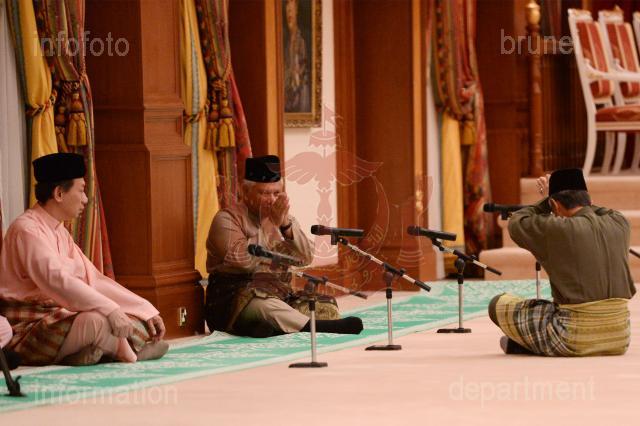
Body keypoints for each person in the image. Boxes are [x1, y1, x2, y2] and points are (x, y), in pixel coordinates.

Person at [0, 153, 168, 366]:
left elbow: (93, 280)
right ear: (59, 193)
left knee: (131, 319)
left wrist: (144, 309)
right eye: (81, 191)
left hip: (61, 318)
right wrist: (110, 309)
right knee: (98, 321)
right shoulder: (26, 230)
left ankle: (86, 352)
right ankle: (126, 352)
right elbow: (58, 281)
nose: (86, 199)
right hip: (30, 328)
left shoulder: (59, 231)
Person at [205, 155, 363, 337]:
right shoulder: (226, 219)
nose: (272, 200)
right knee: (264, 305)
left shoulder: (281, 218)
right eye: (264, 193)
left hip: (277, 292)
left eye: (276, 193)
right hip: (234, 298)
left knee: (325, 306)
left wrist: (286, 226)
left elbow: (305, 258)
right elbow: (244, 262)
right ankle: (310, 327)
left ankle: (263, 326)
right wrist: (270, 225)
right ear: (244, 191)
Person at [489, 168, 636, 356]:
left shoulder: (557, 229)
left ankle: (533, 345)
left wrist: (546, 201)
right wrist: (571, 197)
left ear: (554, 205)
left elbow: (517, 222)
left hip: (572, 339)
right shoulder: (619, 222)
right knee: (549, 308)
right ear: (588, 199)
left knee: (498, 304)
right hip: (620, 338)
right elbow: (596, 209)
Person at [284, 0, 310, 113]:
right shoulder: (286, 43)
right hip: (288, 102)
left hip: (300, 98)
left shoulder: (301, 41)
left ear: (296, 11)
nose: (289, 13)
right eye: (287, 11)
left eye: (292, 10)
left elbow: (300, 78)